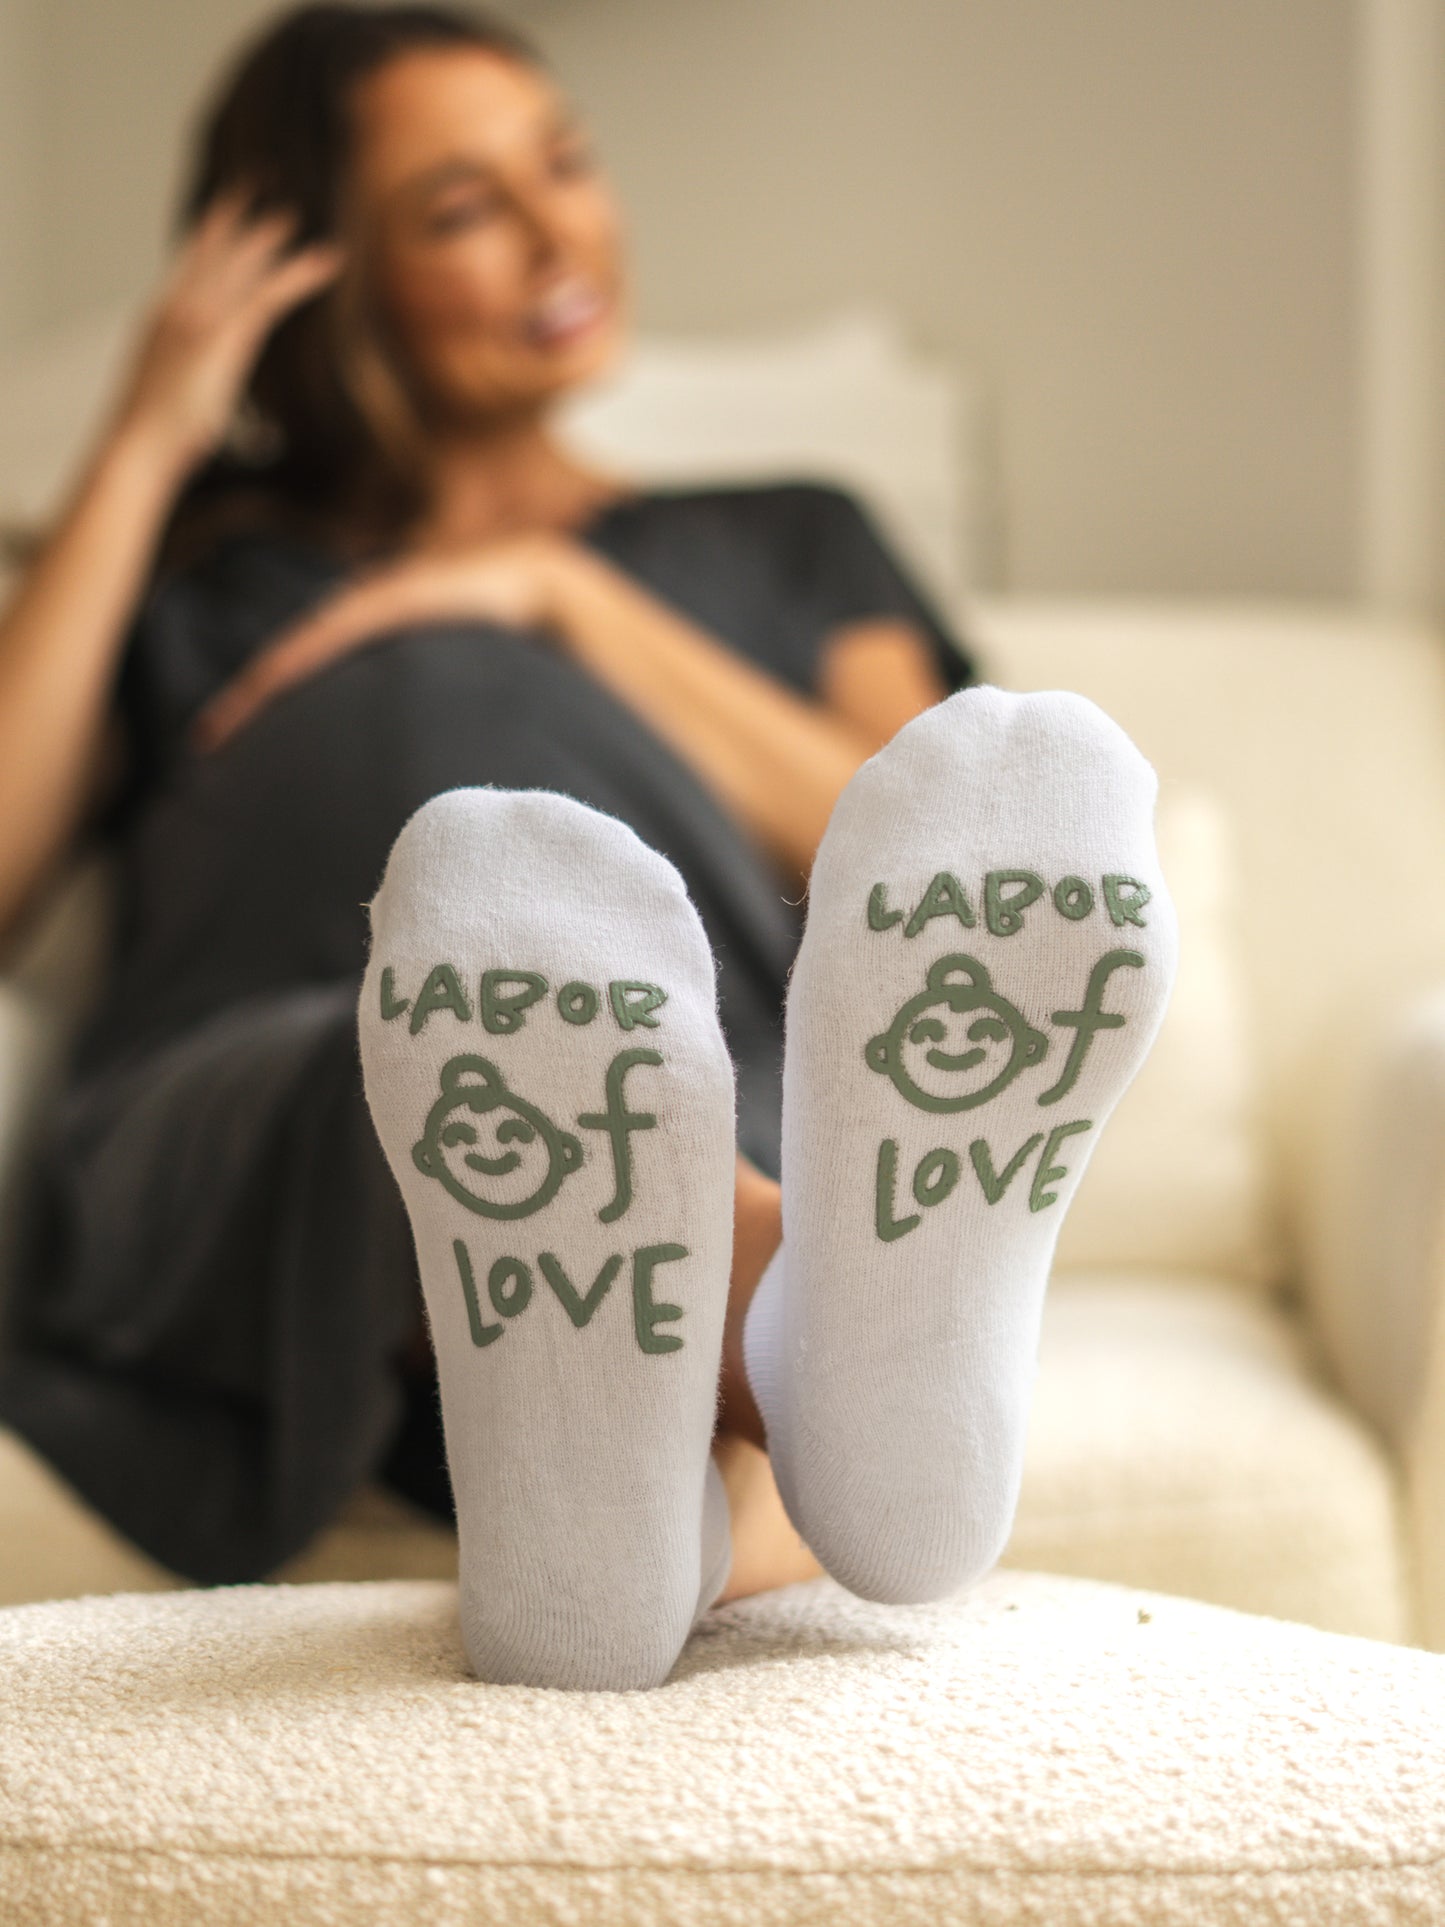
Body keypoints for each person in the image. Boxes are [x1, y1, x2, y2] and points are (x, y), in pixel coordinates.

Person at [0, 3, 1178, 1691]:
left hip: (724, 1054)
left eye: (565, 164)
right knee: (467, 1046)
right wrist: (141, 442)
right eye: (466, 207)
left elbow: (917, 828)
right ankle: (850, 1384)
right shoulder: (201, 576)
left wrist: (556, 597)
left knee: (633, 1092)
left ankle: (635, 1530)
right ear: (320, 277)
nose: (562, 230)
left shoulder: (786, 530)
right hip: (249, 1092)